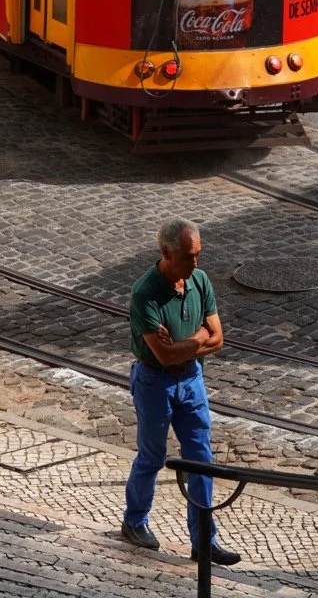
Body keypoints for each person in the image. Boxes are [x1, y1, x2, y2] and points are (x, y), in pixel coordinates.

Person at [122, 220, 240, 566]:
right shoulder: (145, 293)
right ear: (166, 253)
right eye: (189, 257)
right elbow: (164, 355)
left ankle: (203, 539)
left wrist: (188, 343)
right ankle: (134, 521)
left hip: (191, 380)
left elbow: (217, 338)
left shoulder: (199, 281)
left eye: (198, 255)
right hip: (154, 382)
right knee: (152, 456)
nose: (196, 264)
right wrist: (199, 337)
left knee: (201, 460)